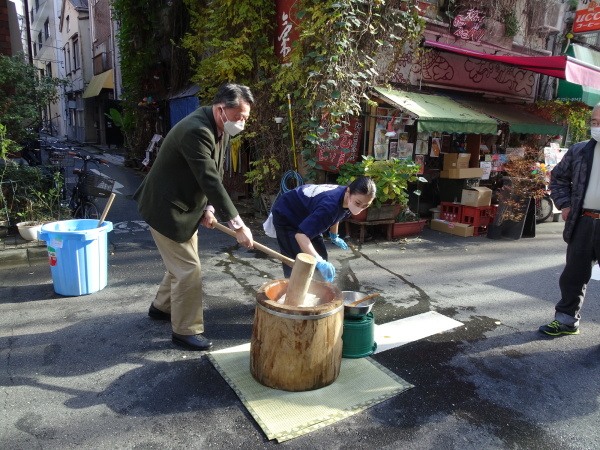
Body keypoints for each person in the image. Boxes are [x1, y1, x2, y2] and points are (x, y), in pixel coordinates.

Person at [134, 83, 255, 351]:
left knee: (182, 264)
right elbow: (209, 179)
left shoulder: (220, 128)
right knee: (189, 269)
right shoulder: (196, 131)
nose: (242, 123)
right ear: (222, 109)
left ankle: (161, 308)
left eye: (245, 118)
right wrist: (238, 225)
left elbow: (214, 173)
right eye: (240, 117)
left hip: (187, 205)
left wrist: (209, 209)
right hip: (166, 208)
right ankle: (185, 331)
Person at [539, 102, 600, 336]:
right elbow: (558, 179)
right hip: (583, 221)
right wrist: (564, 204)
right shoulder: (580, 150)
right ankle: (566, 321)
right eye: (594, 122)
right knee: (573, 276)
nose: (597, 127)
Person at [268, 176, 376, 282]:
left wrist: (334, 236)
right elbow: (300, 236)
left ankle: (318, 288)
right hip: (287, 213)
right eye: (358, 203)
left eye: (365, 206)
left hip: (308, 213)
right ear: (348, 192)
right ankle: (292, 293)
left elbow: (337, 215)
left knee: (321, 254)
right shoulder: (329, 207)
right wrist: (318, 261)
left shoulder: (346, 198)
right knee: (294, 262)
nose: (360, 208)